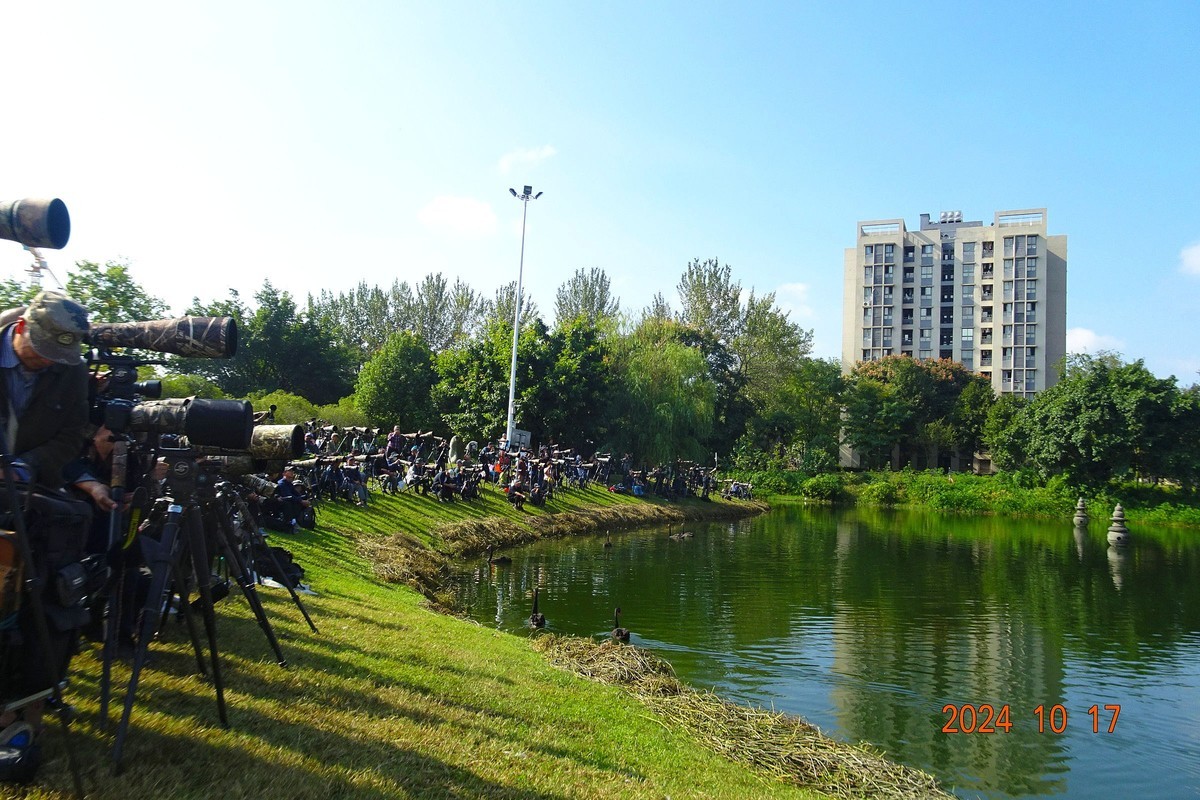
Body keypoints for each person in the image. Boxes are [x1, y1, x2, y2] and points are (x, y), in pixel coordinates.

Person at [0, 290, 91, 771]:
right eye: (40, 351)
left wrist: (25, 467)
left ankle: (24, 710)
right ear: (20, 329)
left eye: (58, 356)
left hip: (31, 497)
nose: (46, 362)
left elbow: (72, 433)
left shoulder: (70, 369)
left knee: (40, 601)